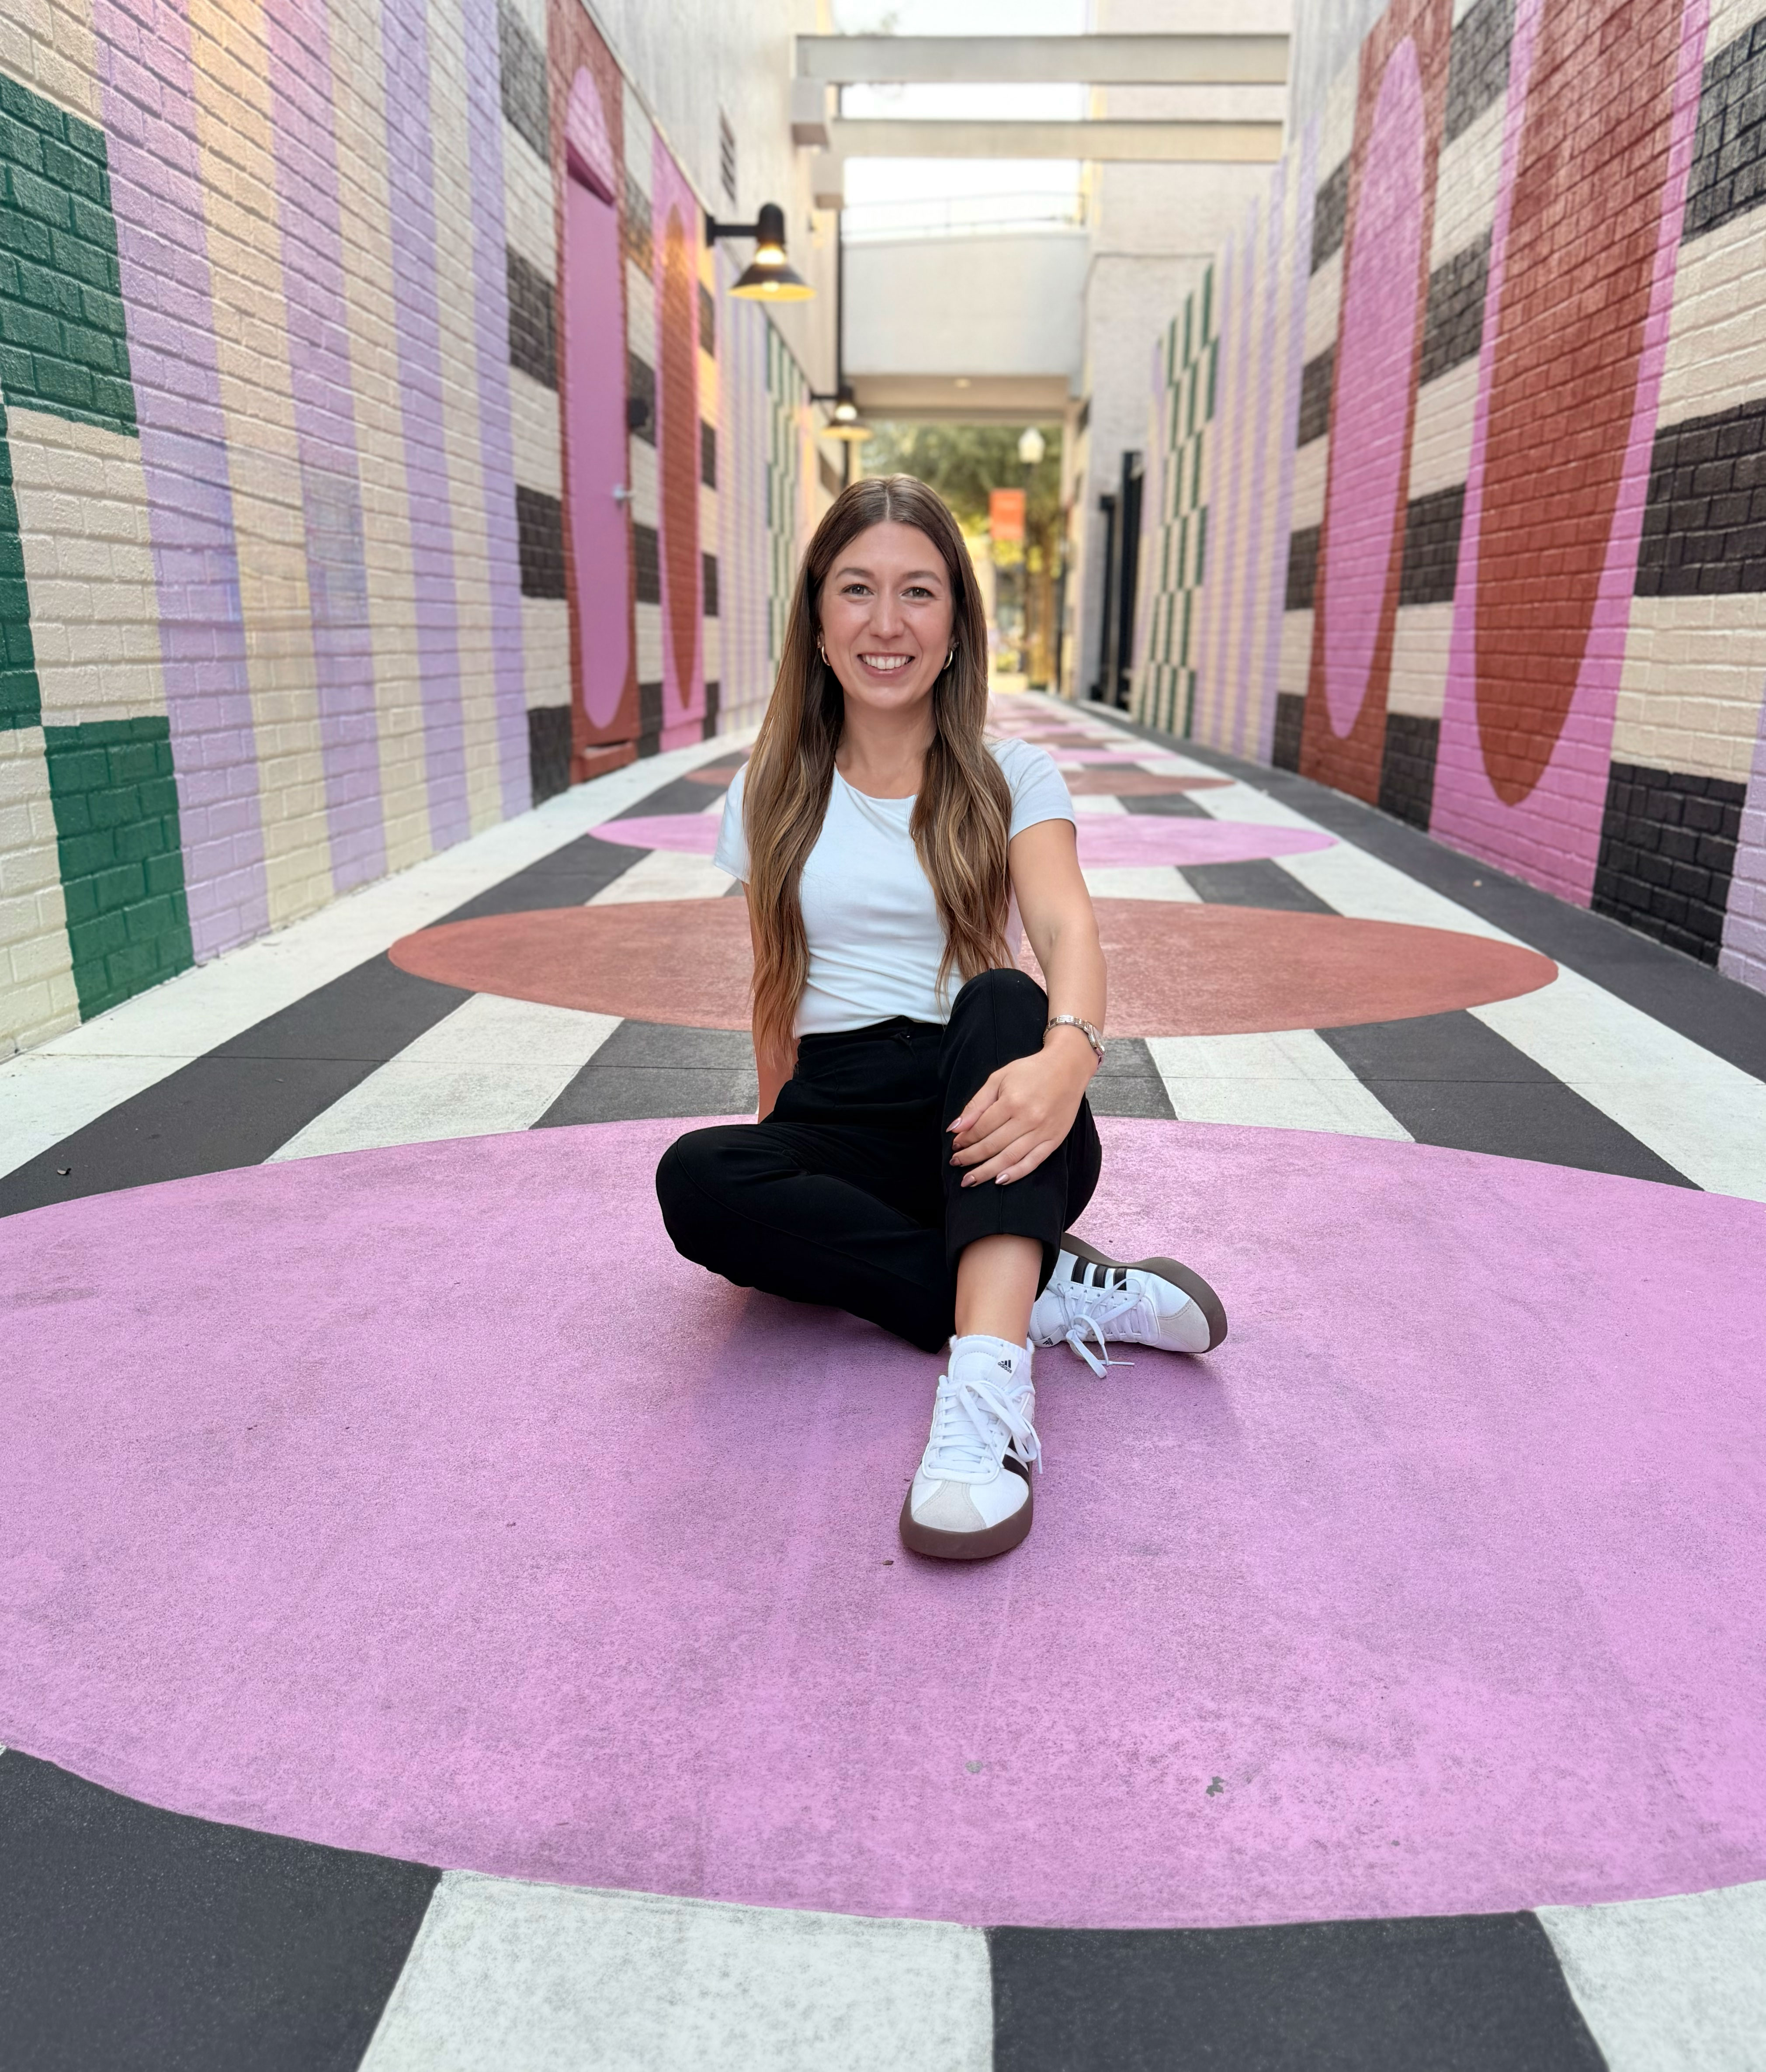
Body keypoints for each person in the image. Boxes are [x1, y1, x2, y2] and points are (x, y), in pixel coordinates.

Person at [656, 476, 1226, 1560]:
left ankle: (983, 1413)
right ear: (817, 623)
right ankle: (1037, 1288)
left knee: (1003, 992)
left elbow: (1064, 934)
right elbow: (774, 983)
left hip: (993, 1111)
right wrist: (780, 1154)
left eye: (917, 593)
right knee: (694, 1180)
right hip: (840, 1107)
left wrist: (1067, 1063)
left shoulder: (1013, 774)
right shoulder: (768, 787)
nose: (885, 623)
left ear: (957, 627)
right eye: (856, 590)